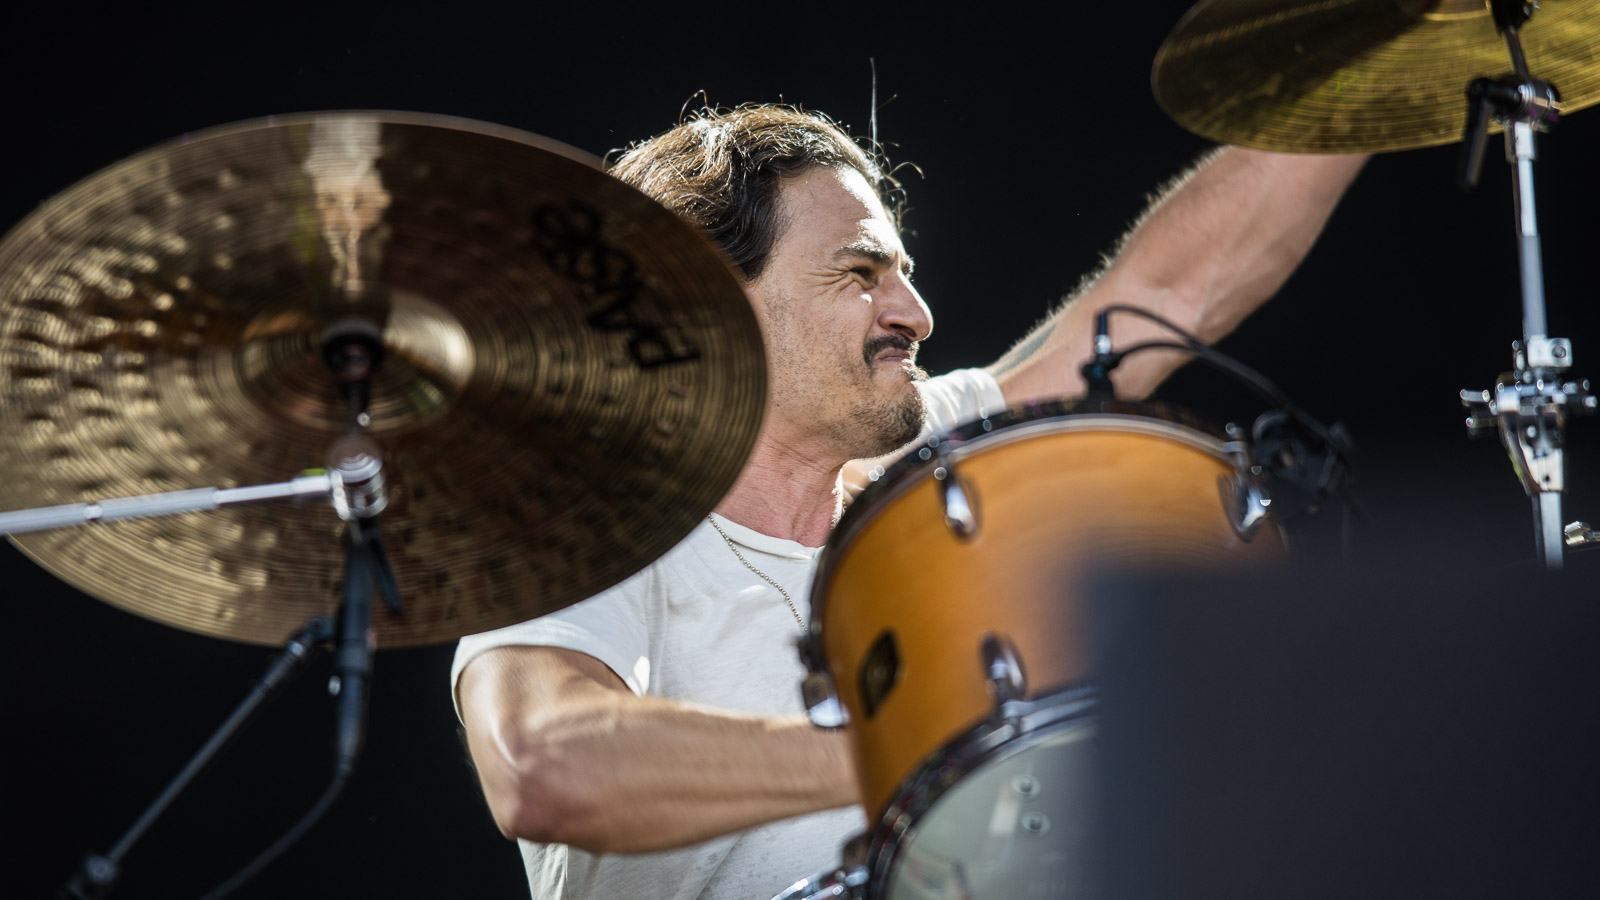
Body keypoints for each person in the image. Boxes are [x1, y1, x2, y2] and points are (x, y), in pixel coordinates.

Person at [451, 103, 1367, 899]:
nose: (916, 313)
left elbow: (1170, 293)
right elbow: (540, 762)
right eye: (861, 274)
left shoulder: (938, 467)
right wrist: (918, 761)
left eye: (903, 270)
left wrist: (1383, 69)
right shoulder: (587, 521)